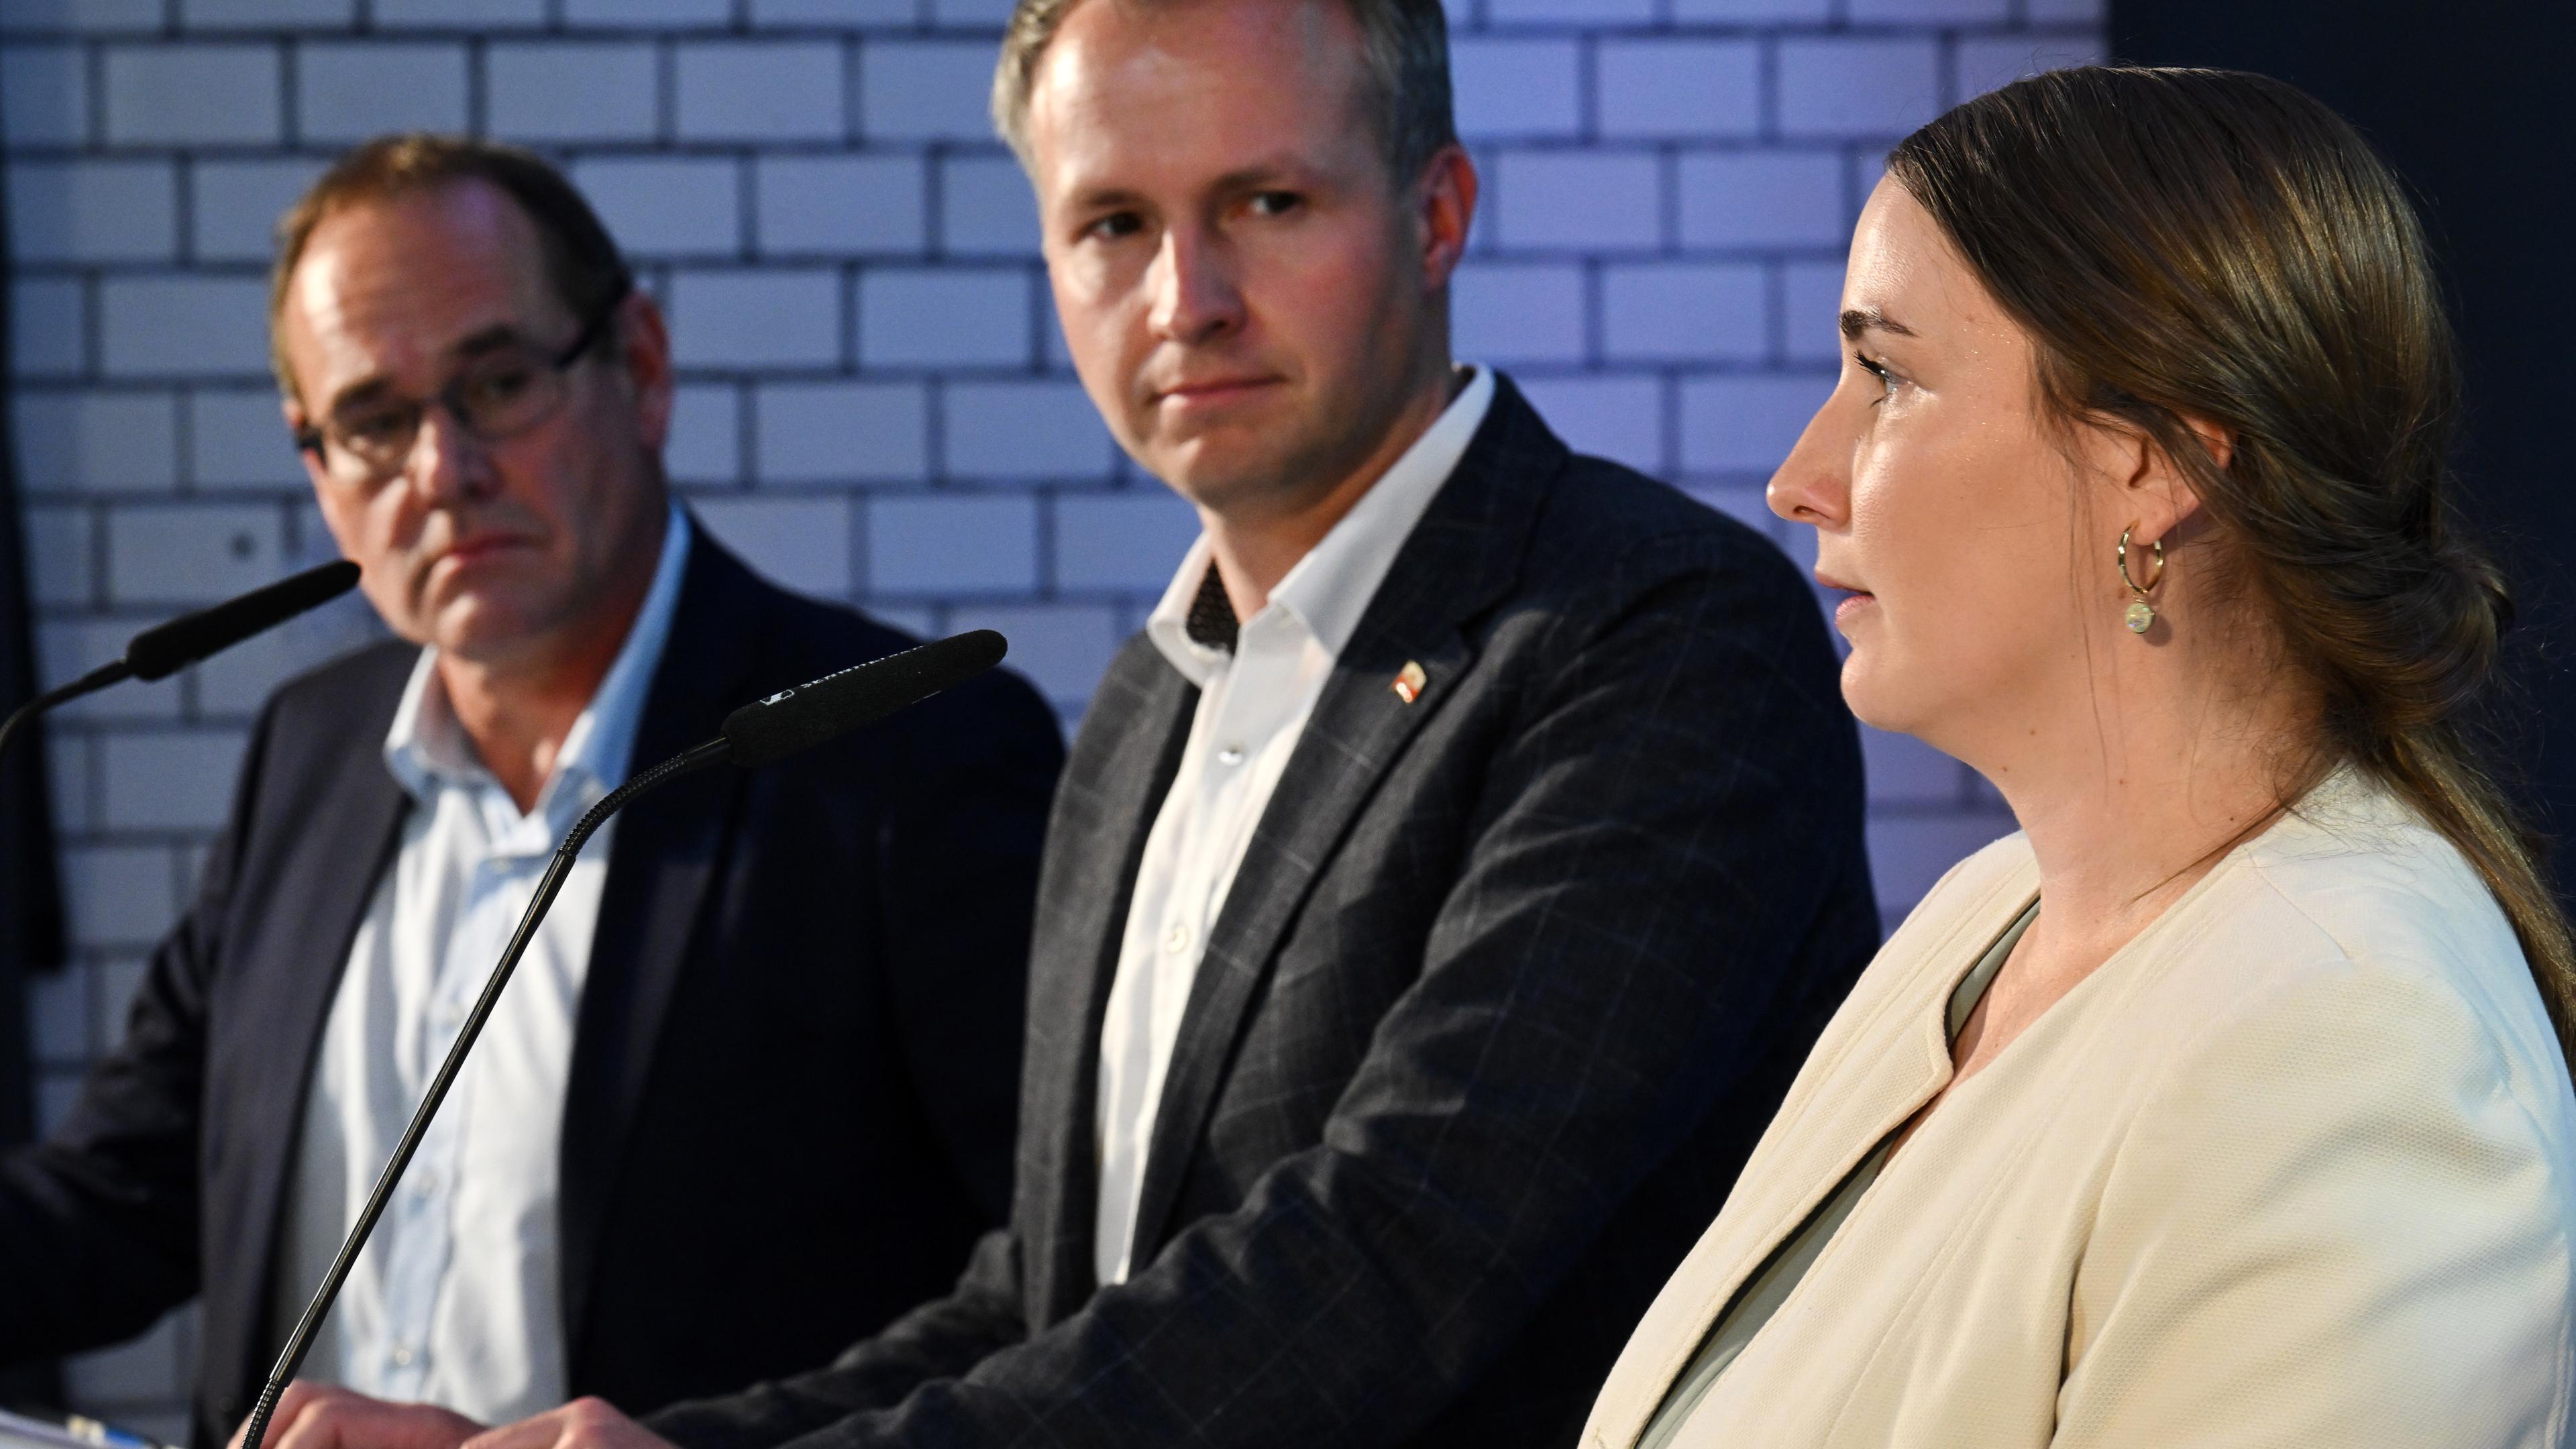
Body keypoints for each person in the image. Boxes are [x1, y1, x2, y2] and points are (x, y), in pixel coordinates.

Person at [254, 1, 1878, 1447]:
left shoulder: (1655, 630)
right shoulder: (1144, 704)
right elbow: (1044, 1298)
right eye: (1112, 222)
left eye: (1266, 201)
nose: (1188, 298)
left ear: (1436, 210)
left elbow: (1396, 1253)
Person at [0, 136, 1065, 1448]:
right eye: (375, 422)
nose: (442, 473)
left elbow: (1056, 1284)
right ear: (316, 471)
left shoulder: (897, 744)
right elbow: (120, 1200)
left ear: (645, 369)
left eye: (497, 384)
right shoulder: (311, 752)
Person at [1581, 66, 2576, 1449]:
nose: (1802, 473)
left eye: (1888, 376)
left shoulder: (2350, 1053)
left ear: (2155, 462)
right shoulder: (1980, 920)